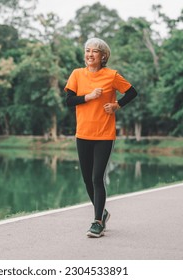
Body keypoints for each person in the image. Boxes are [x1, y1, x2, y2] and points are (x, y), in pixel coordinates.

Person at [64, 38, 138, 238]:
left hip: (104, 134)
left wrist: (117, 105)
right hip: (83, 133)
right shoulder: (77, 74)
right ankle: (102, 212)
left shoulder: (111, 75)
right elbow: (69, 101)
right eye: (87, 50)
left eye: (94, 51)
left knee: (97, 177)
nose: (90, 54)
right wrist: (88, 96)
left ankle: (97, 222)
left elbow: (132, 92)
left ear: (103, 56)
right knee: (87, 179)